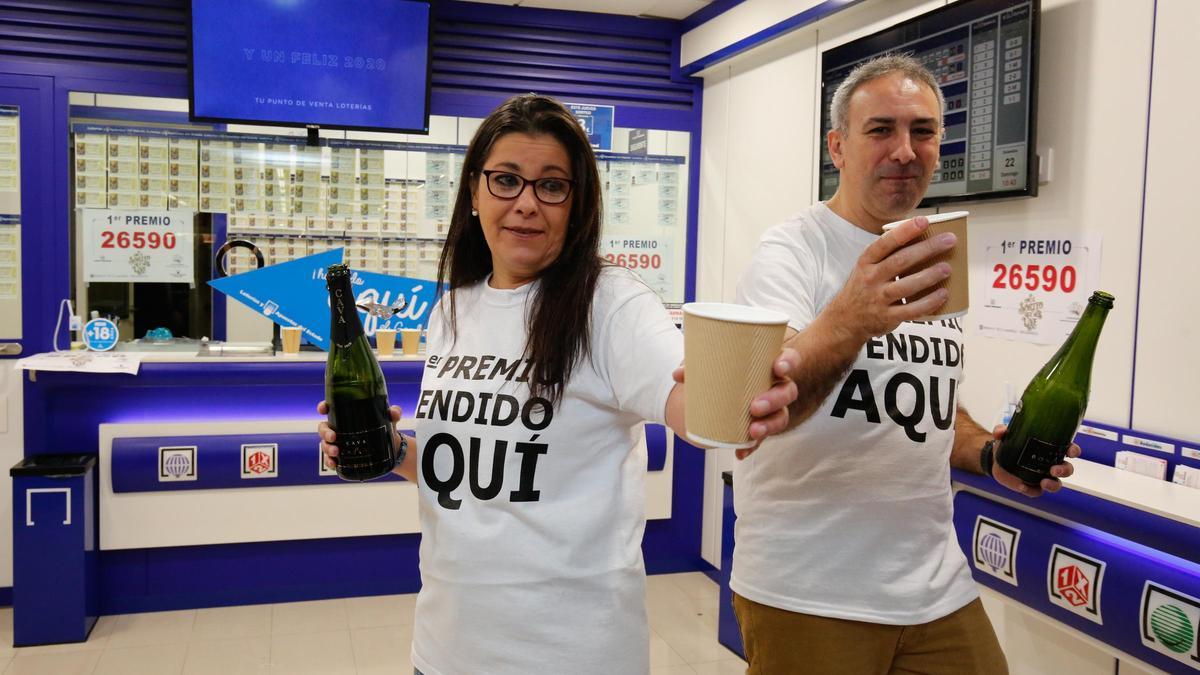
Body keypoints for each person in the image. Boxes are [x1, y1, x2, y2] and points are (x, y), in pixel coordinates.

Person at [318, 94, 800, 675]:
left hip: (570, 652)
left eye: (551, 186)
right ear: (474, 192)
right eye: (506, 180)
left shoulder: (612, 306)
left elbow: (692, 407)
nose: (525, 203)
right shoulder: (452, 312)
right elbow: (463, 468)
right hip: (446, 646)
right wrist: (392, 452)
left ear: (576, 205)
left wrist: (745, 396)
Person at [730, 54, 1080, 674]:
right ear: (837, 147)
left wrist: (989, 456)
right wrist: (853, 313)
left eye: (922, 131)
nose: (904, 150)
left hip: (936, 587)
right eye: (880, 130)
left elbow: (929, 406)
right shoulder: (793, 249)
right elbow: (765, 401)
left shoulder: (938, 254)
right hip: (809, 588)